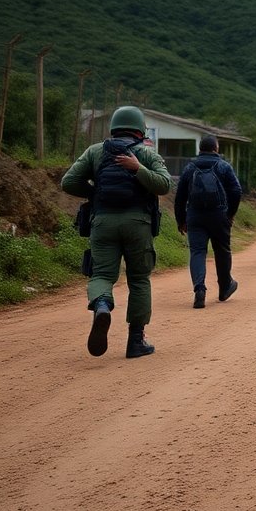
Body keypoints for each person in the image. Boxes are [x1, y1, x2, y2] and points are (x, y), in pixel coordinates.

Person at [60, 105, 172, 358]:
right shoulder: (145, 153)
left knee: (101, 274)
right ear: (140, 129)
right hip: (138, 224)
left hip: (103, 223)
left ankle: (102, 306)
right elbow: (164, 185)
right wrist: (138, 169)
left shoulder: (95, 151)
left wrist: (96, 192)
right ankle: (136, 342)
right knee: (139, 279)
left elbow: (68, 182)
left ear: (113, 127)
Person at [172, 134, 242, 309]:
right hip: (219, 215)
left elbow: (179, 197)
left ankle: (199, 290)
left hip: (195, 216)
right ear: (216, 148)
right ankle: (225, 287)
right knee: (222, 250)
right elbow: (236, 191)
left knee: (197, 252)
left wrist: (181, 220)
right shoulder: (224, 166)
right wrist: (230, 213)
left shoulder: (189, 168)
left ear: (200, 149)